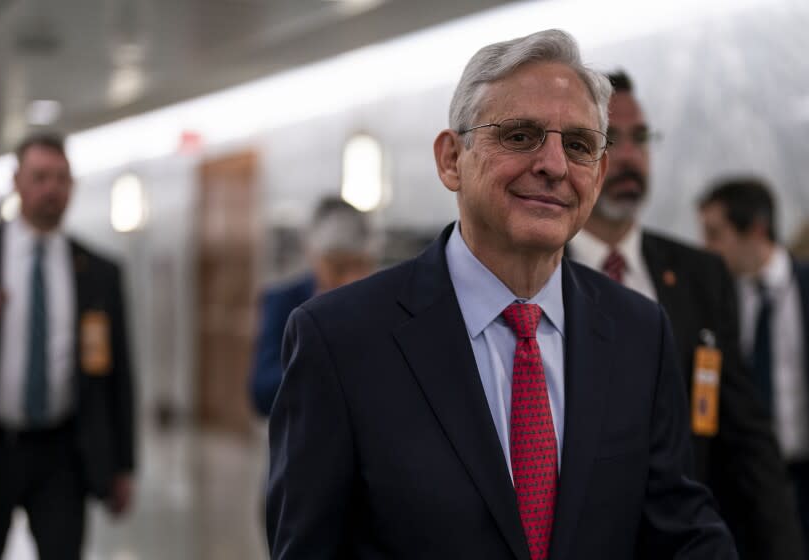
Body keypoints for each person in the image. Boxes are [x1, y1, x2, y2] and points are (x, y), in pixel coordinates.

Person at [266, 29, 736, 559]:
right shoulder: (340, 340)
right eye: (519, 136)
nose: (554, 165)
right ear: (451, 159)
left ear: (597, 175)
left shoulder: (638, 332)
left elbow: (678, 526)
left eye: (578, 146)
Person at [567, 72, 803, 558]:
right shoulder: (538, 272)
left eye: (640, 138)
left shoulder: (698, 274)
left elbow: (745, 435)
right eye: (610, 138)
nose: (630, 156)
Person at [0, 133, 135, 559]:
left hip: (63, 450)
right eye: (39, 177)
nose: (51, 189)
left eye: (61, 179)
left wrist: (122, 465)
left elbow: (119, 373)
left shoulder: (98, 272)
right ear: (17, 181)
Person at [699, 177, 809, 556]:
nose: (707, 248)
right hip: (743, 493)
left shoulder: (804, 288)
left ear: (756, 229)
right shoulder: (715, 304)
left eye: (716, 234)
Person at [249, 196, 376, 416]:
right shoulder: (284, 302)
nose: (350, 279)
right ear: (314, 258)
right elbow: (262, 393)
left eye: (359, 265)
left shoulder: (380, 303)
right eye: (338, 267)